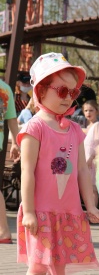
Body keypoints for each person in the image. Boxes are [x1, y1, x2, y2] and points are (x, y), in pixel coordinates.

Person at [17, 52, 99, 275]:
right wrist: (28, 211)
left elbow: (82, 169)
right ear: (41, 90)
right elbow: (27, 171)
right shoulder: (34, 128)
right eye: (62, 90)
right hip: (41, 211)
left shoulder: (75, 129)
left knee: (60, 265)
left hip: (68, 211)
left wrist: (90, 205)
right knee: (38, 266)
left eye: (73, 92)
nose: (68, 98)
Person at [0, 78, 20, 244]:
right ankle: (3, 231)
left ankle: (3, 231)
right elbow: (12, 119)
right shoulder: (4, 88)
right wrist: (15, 142)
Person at [82, 100, 99, 206]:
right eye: (86, 110)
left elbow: (98, 145)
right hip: (86, 160)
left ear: (96, 111)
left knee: (92, 188)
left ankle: (93, 212)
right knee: (87, 188)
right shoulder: (88, 127)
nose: (88, 113)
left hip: (92, 161)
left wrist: (91, 159)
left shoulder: (97, 125)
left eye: (91, 110)